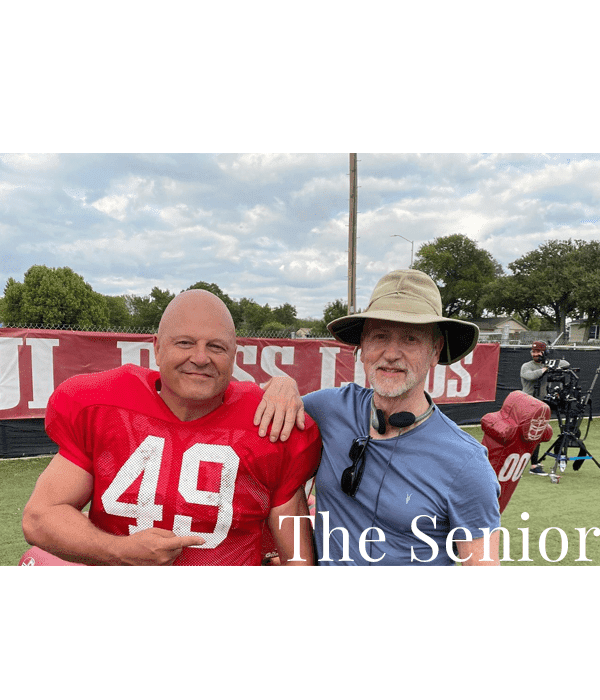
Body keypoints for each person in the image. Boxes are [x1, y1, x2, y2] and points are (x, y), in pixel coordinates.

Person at [22, 290, 321, 566]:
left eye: (216, 347)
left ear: (234, 355)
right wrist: (119, 550)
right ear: (157, 346)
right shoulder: (105, 407)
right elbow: (40, 517)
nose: (201, 358)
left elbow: (296, 556)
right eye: (185, 343)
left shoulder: (267, 423)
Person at [259, 269, 501, 566]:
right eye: (379, 337)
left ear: (435, 351)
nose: (391, 353)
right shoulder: (328, 410)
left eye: (411, 339)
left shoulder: (466, 461)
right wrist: (284, 384)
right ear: (362, 349)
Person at [520, 340, 569, 475]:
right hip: (528, 403)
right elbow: (530, 376)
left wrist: (550, 362)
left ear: (544, 352)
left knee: (537, 434)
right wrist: (545, 368)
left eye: (538, 351)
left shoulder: (546, 363)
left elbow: (566, 364)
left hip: (541, 405)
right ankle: (533, 465)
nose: (535, 354)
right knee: (529, 435)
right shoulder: (527, 366)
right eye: (533, 351)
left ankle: (534, 464)